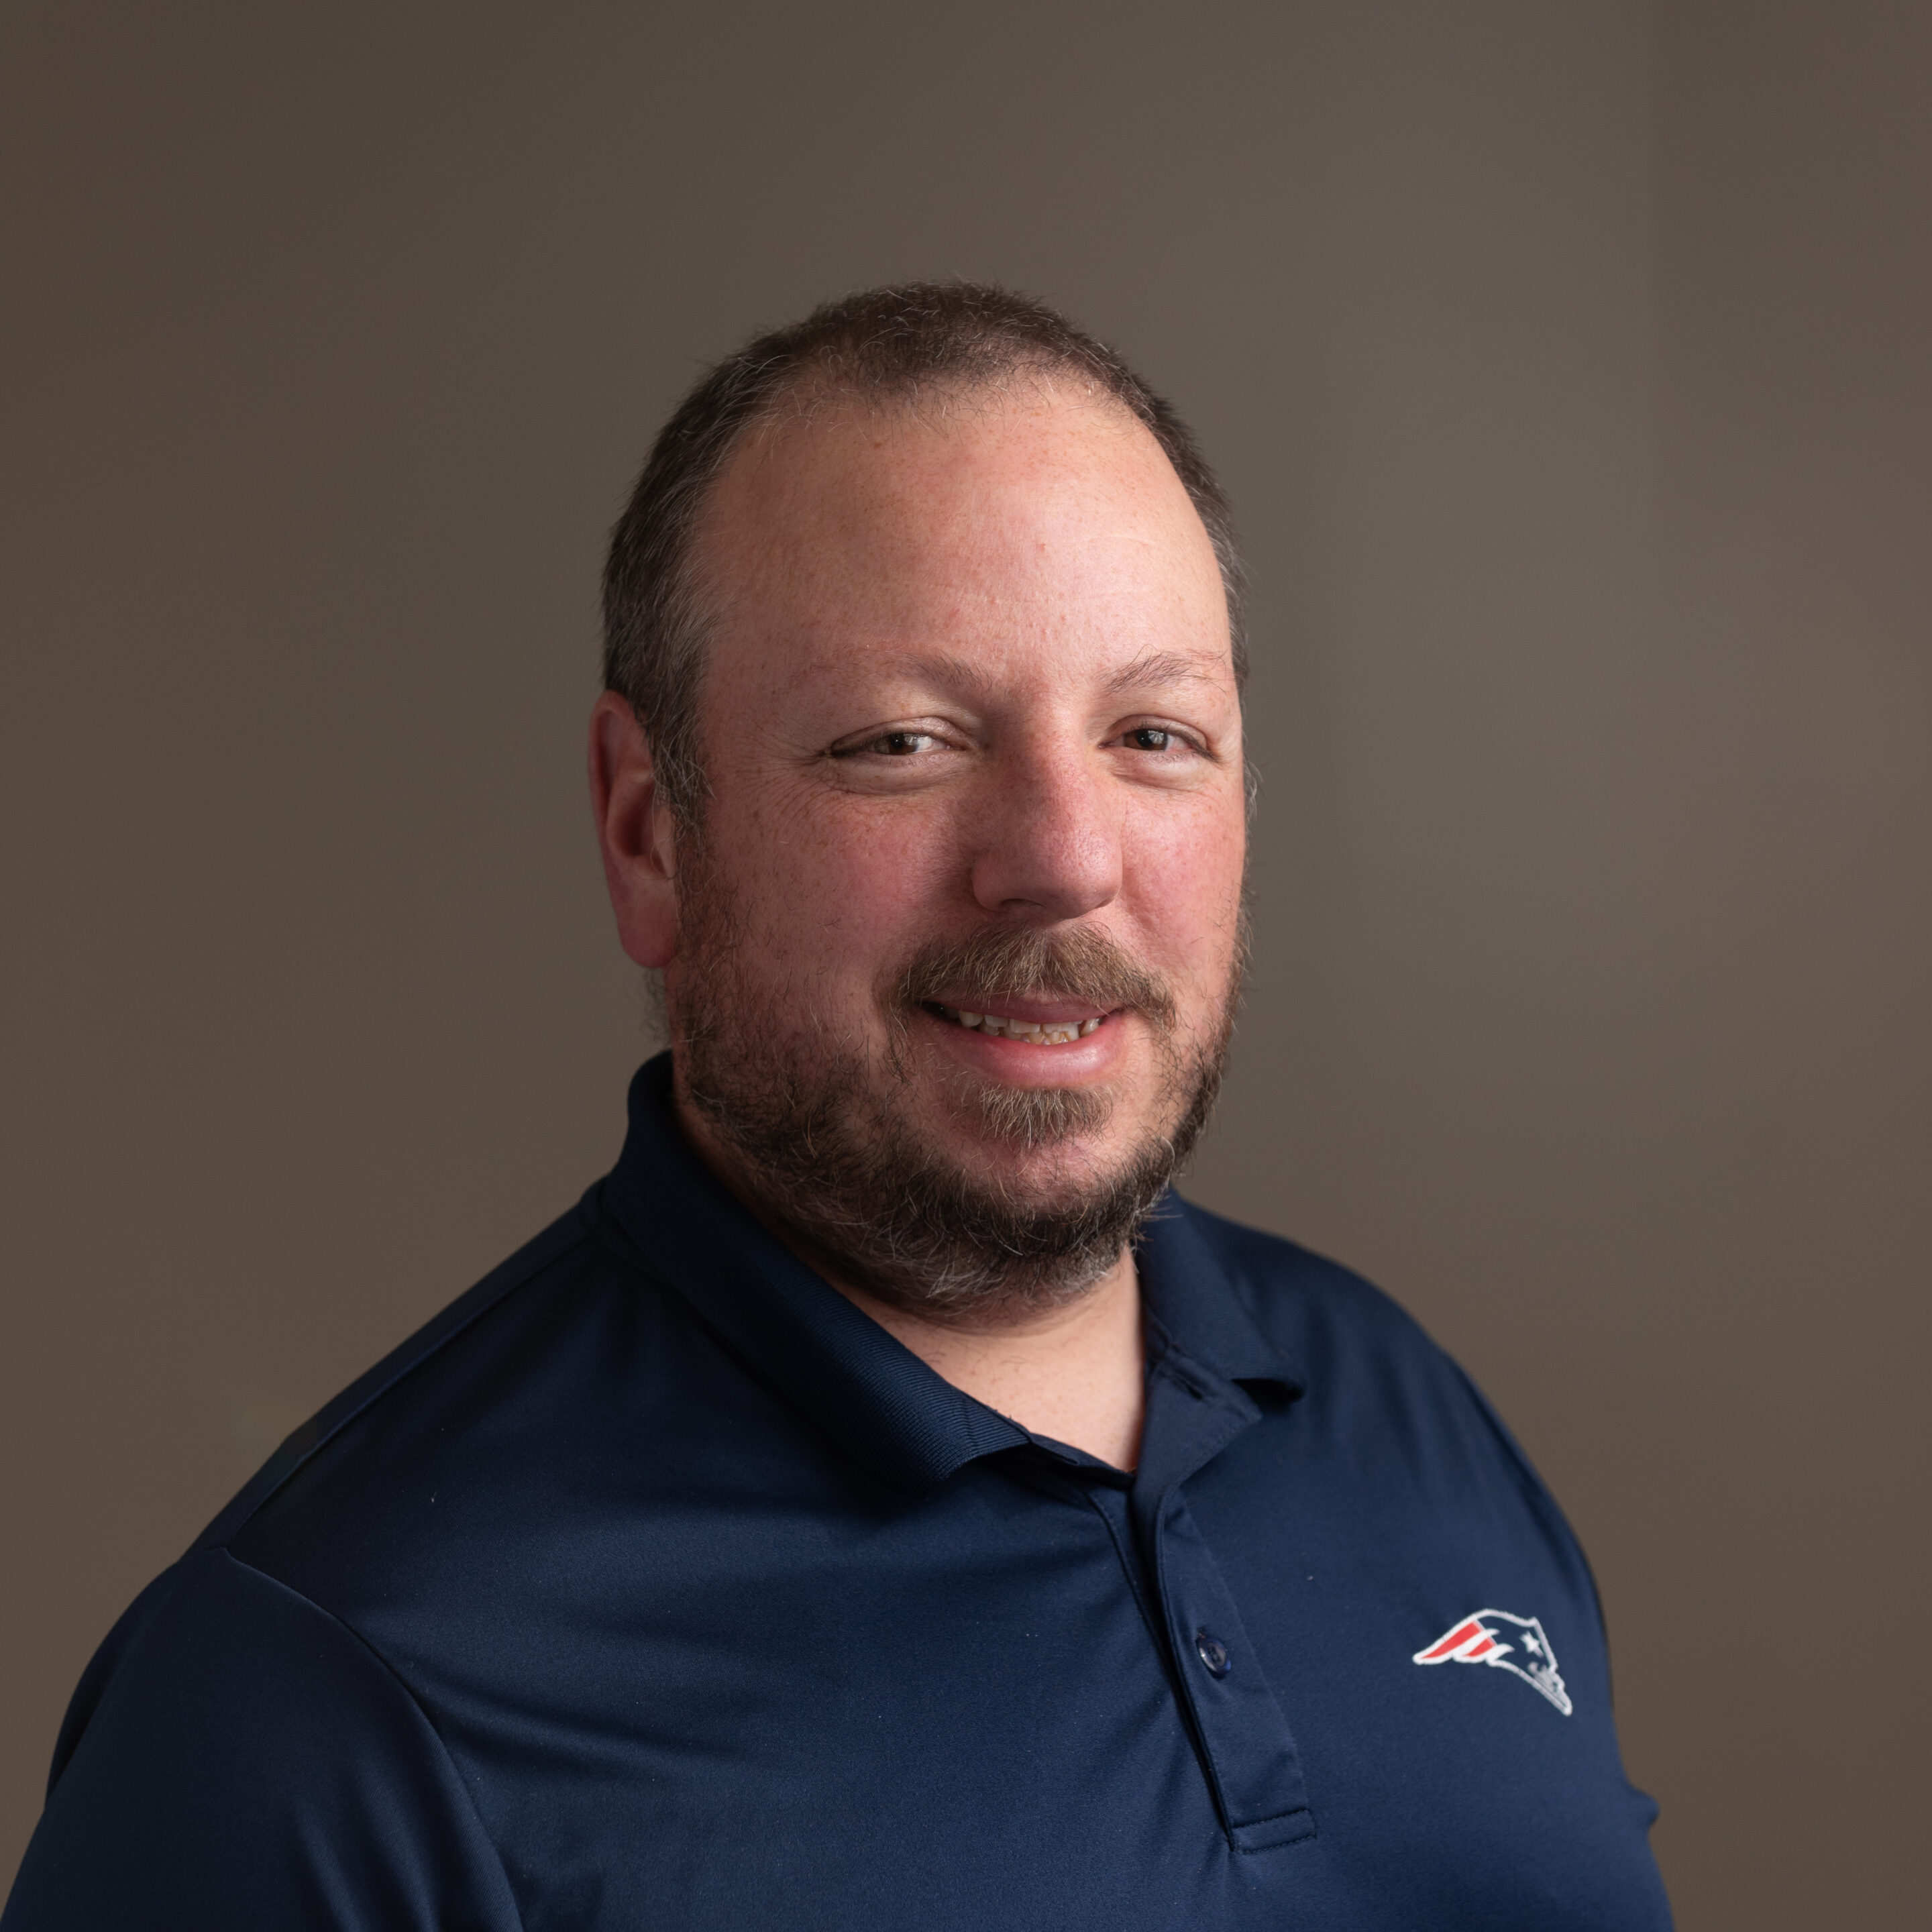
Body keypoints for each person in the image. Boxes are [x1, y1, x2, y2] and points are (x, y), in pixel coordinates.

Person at [1, 284, 1672, 1929]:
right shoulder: (320, 1704)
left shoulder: (1397, 1409)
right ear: (649, 830)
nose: (1063, 858)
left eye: (1155, 733)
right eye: (903, 742)